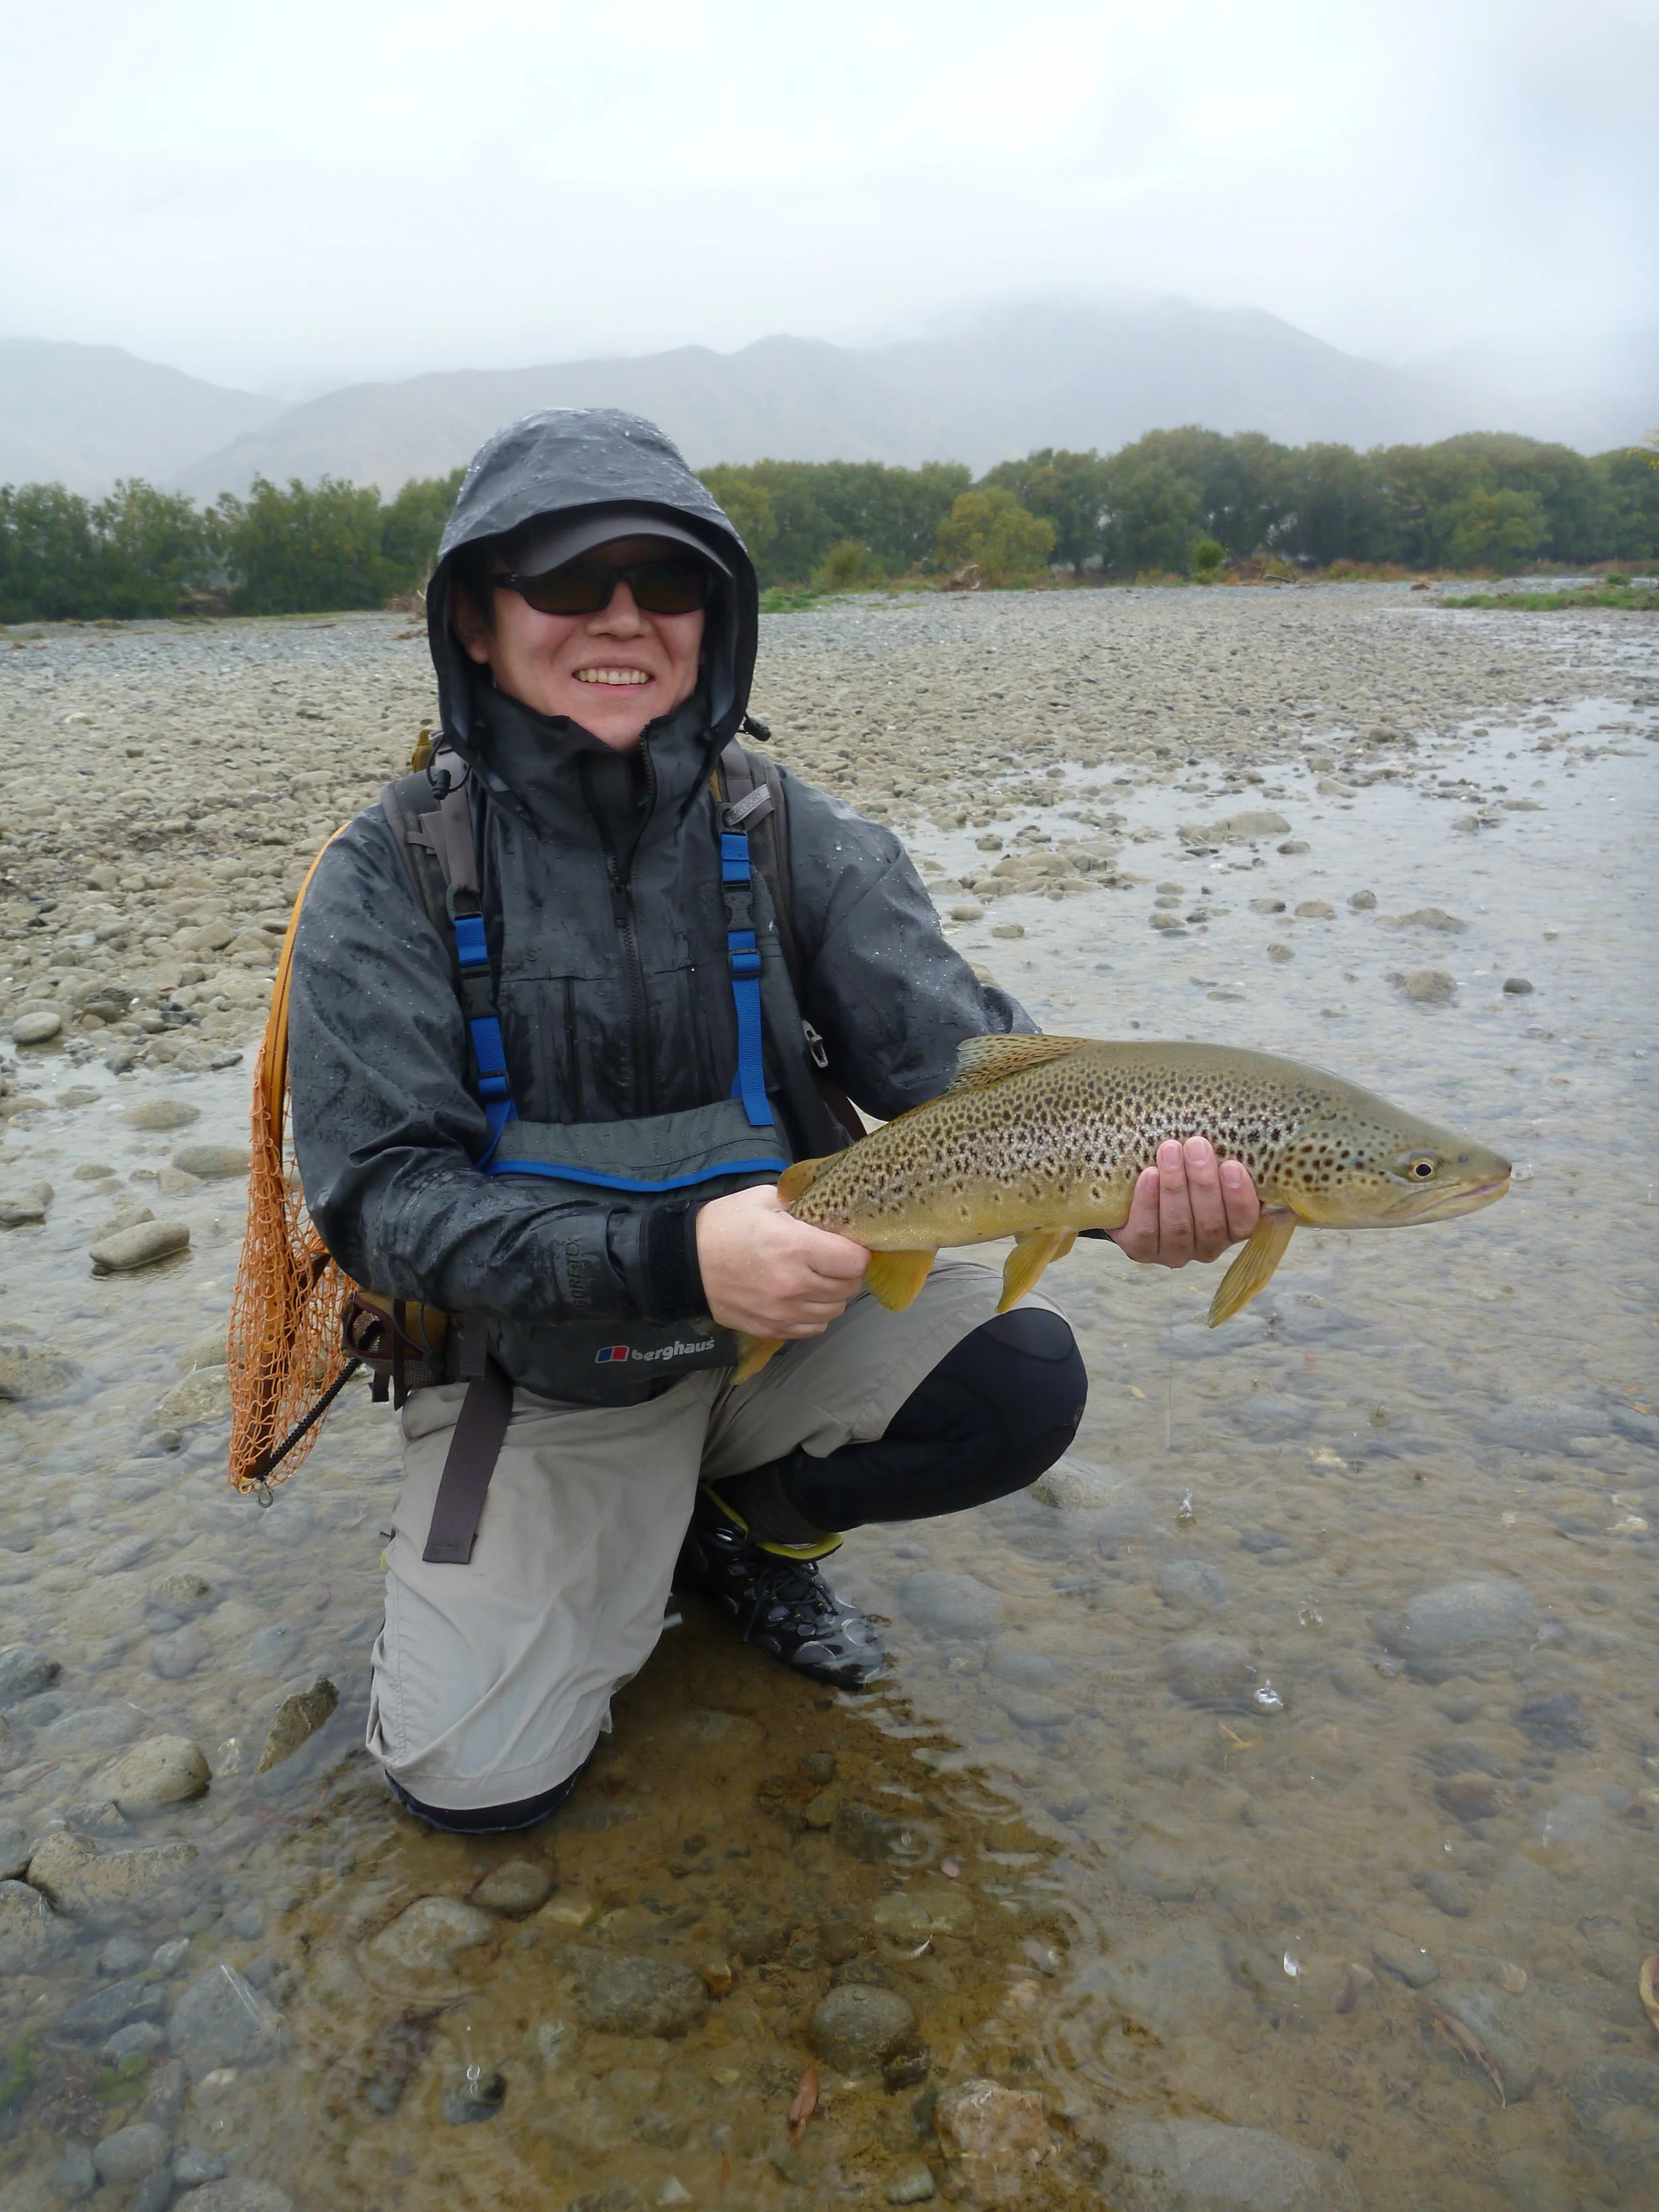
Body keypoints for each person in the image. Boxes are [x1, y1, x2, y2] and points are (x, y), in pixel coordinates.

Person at [287, 408, 1260, 1834]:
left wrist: (1124, 1188)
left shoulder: (793, 834)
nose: (623, 616)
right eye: (568, 582)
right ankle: (609, 1522)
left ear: (714, 619)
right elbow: (382, 1202)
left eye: (664, 583)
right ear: (477, 623)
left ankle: (739, 1532)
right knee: (470, 1786)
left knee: (1017, 1378)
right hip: (542, 1376)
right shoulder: (387, 879)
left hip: (786, 1331)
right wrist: (677, 1257)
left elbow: (960, 1068)